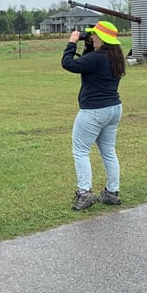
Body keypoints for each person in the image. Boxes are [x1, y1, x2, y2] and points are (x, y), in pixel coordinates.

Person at [61, 21, 126, 211]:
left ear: (102, 38)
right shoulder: (115, 58)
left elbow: (68, 63)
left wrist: (72, 43)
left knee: (80, 151)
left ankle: (85, 193)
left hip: (94, 110)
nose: (92, 38)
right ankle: (112, 192)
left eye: (94, 35)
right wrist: (88, 44)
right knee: (109, 152)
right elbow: (89, 60)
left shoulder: (98, 59)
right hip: (114, 108)